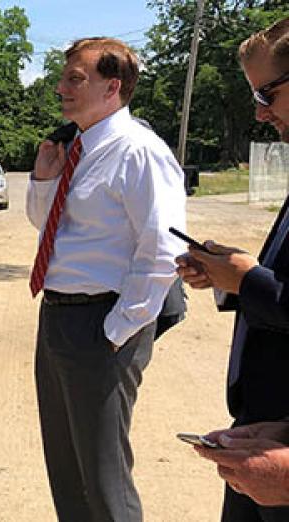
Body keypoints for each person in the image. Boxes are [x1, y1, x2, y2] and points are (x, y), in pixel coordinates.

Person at [26, 37, 186, 521]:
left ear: (113, 86)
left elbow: (164, 248)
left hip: (102, 322)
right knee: (68, 471)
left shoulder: (139, 151)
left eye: (76, 78)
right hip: (57, 316)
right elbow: (46, 225)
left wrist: (120, 328)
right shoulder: (75, 146)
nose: (60, 88)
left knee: (103, 477)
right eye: (63, 77)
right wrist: (42, 179)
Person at [178, 17, 289, 521]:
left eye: (267, 94)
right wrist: (231, 280)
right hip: (266, 431)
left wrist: (246, 279)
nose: (261, 113)